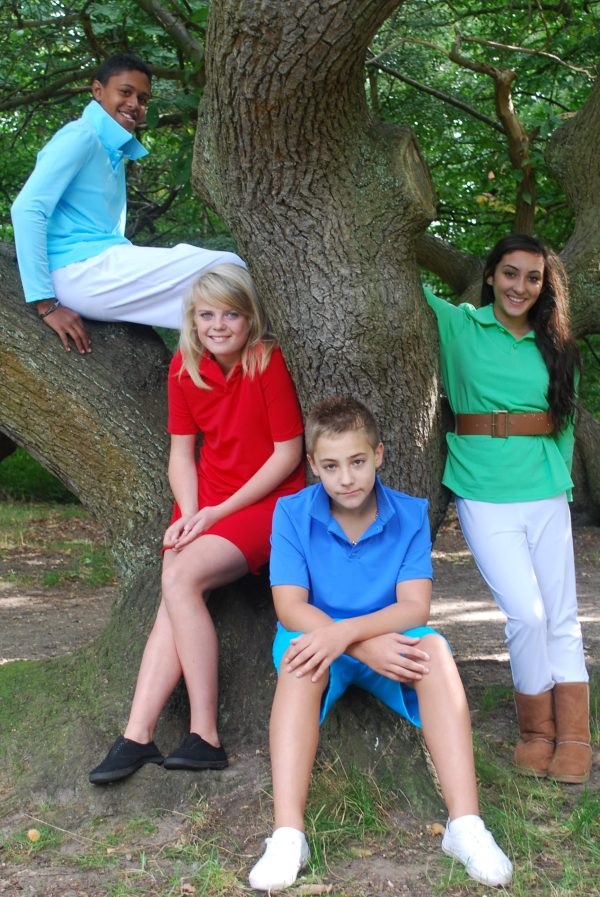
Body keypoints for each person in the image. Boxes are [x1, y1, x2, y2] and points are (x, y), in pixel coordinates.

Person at [248, 397, 513, 892]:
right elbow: (290, 607)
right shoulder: (291, 513)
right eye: (331, 466)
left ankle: (465, 826)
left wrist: (352, 636)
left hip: (386, 637)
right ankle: (287, 835)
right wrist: (354, 644)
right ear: (313, 466)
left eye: (357, 461)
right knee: (301, 663)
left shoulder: (409, 514)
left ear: (379, 455)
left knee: (435, 653)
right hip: (315, 635)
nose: (346, 478)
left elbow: (415, 607)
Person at [89, 264, 305, 784]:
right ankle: (138, 734)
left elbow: (287, 453)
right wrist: (189, 514)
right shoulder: (184, 367)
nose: (218, 325)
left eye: (231, 314)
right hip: (204, 498)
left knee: (181, 578)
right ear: (192, 319)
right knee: (174, 586)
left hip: (268, 498)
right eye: (207, 315)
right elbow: (181, 454)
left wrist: (215, 514)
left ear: (251, 318)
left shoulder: (266, 360)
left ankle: (204, 734)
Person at [424, 233, 591, 784]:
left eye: (533, 277)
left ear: (545, 286)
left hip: (544, 491)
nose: (521, 286)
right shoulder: (460, 326)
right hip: (481, 489)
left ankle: (574, 737)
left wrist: (559, 482)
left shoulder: (557, 344)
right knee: (527, 614)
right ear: (491, 275)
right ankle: (536, 732)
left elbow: (564, 424)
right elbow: (396, 282)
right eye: (511, 273)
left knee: (561, 616)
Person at [10, 52, 245, 355]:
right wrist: (46, 303)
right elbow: (27, 209)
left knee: (220, 304)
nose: (134, 104)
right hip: (79, 271)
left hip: (97, 265)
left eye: (143, 98)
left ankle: (227, 377)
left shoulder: (111, 146)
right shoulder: (81, 137)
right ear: (98, 91)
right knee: (227, 267)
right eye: (125, 92)